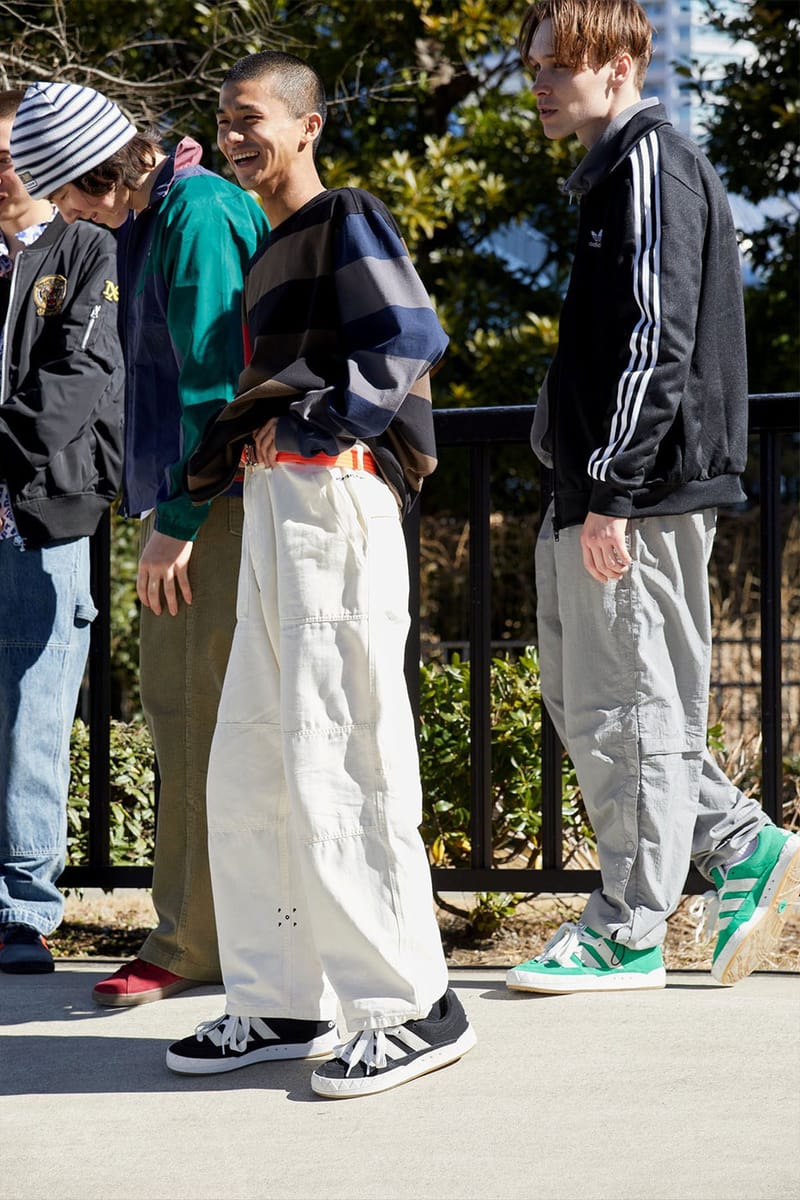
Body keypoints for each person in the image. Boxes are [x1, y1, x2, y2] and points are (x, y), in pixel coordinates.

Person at [165, 50, 476, 1098]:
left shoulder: (345, 211)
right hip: (275, 506)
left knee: (342, 746)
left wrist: (313, 428)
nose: (235, 133)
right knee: (255, 759)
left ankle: (411, 1004)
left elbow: (409, 338)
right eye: (223, 119)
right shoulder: (270, 246)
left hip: (331, 497)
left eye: (251, 116)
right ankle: (280, 997)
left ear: (308, 124)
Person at [505, 0, 800, 996]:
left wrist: (612, 488)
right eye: (533, 65)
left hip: (639, 492)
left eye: (554, 64)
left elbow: (655, 337)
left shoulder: (646, 165)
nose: (536, 80)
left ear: (619, 65)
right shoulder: (611, 174)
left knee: (628, 705)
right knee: (597, 701)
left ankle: (630, 926)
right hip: (607, 487)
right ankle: (738, 843)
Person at [10, 82, 269, 1002]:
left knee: (196, 711)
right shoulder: (157, 216)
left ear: (99, 169)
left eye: (69, 190)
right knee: (178, 707)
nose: (66, 210)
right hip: (192, 500)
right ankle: (205, 932)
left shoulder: (195, 212)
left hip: (214, 503)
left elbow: (216, 382)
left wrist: (177, 520)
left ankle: (188, 940)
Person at [0, 88, 124, 973]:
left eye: (13, 147)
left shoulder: (88, 247)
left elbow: (77, 379)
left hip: (40, 517)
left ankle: (22, 911)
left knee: (31, 718)